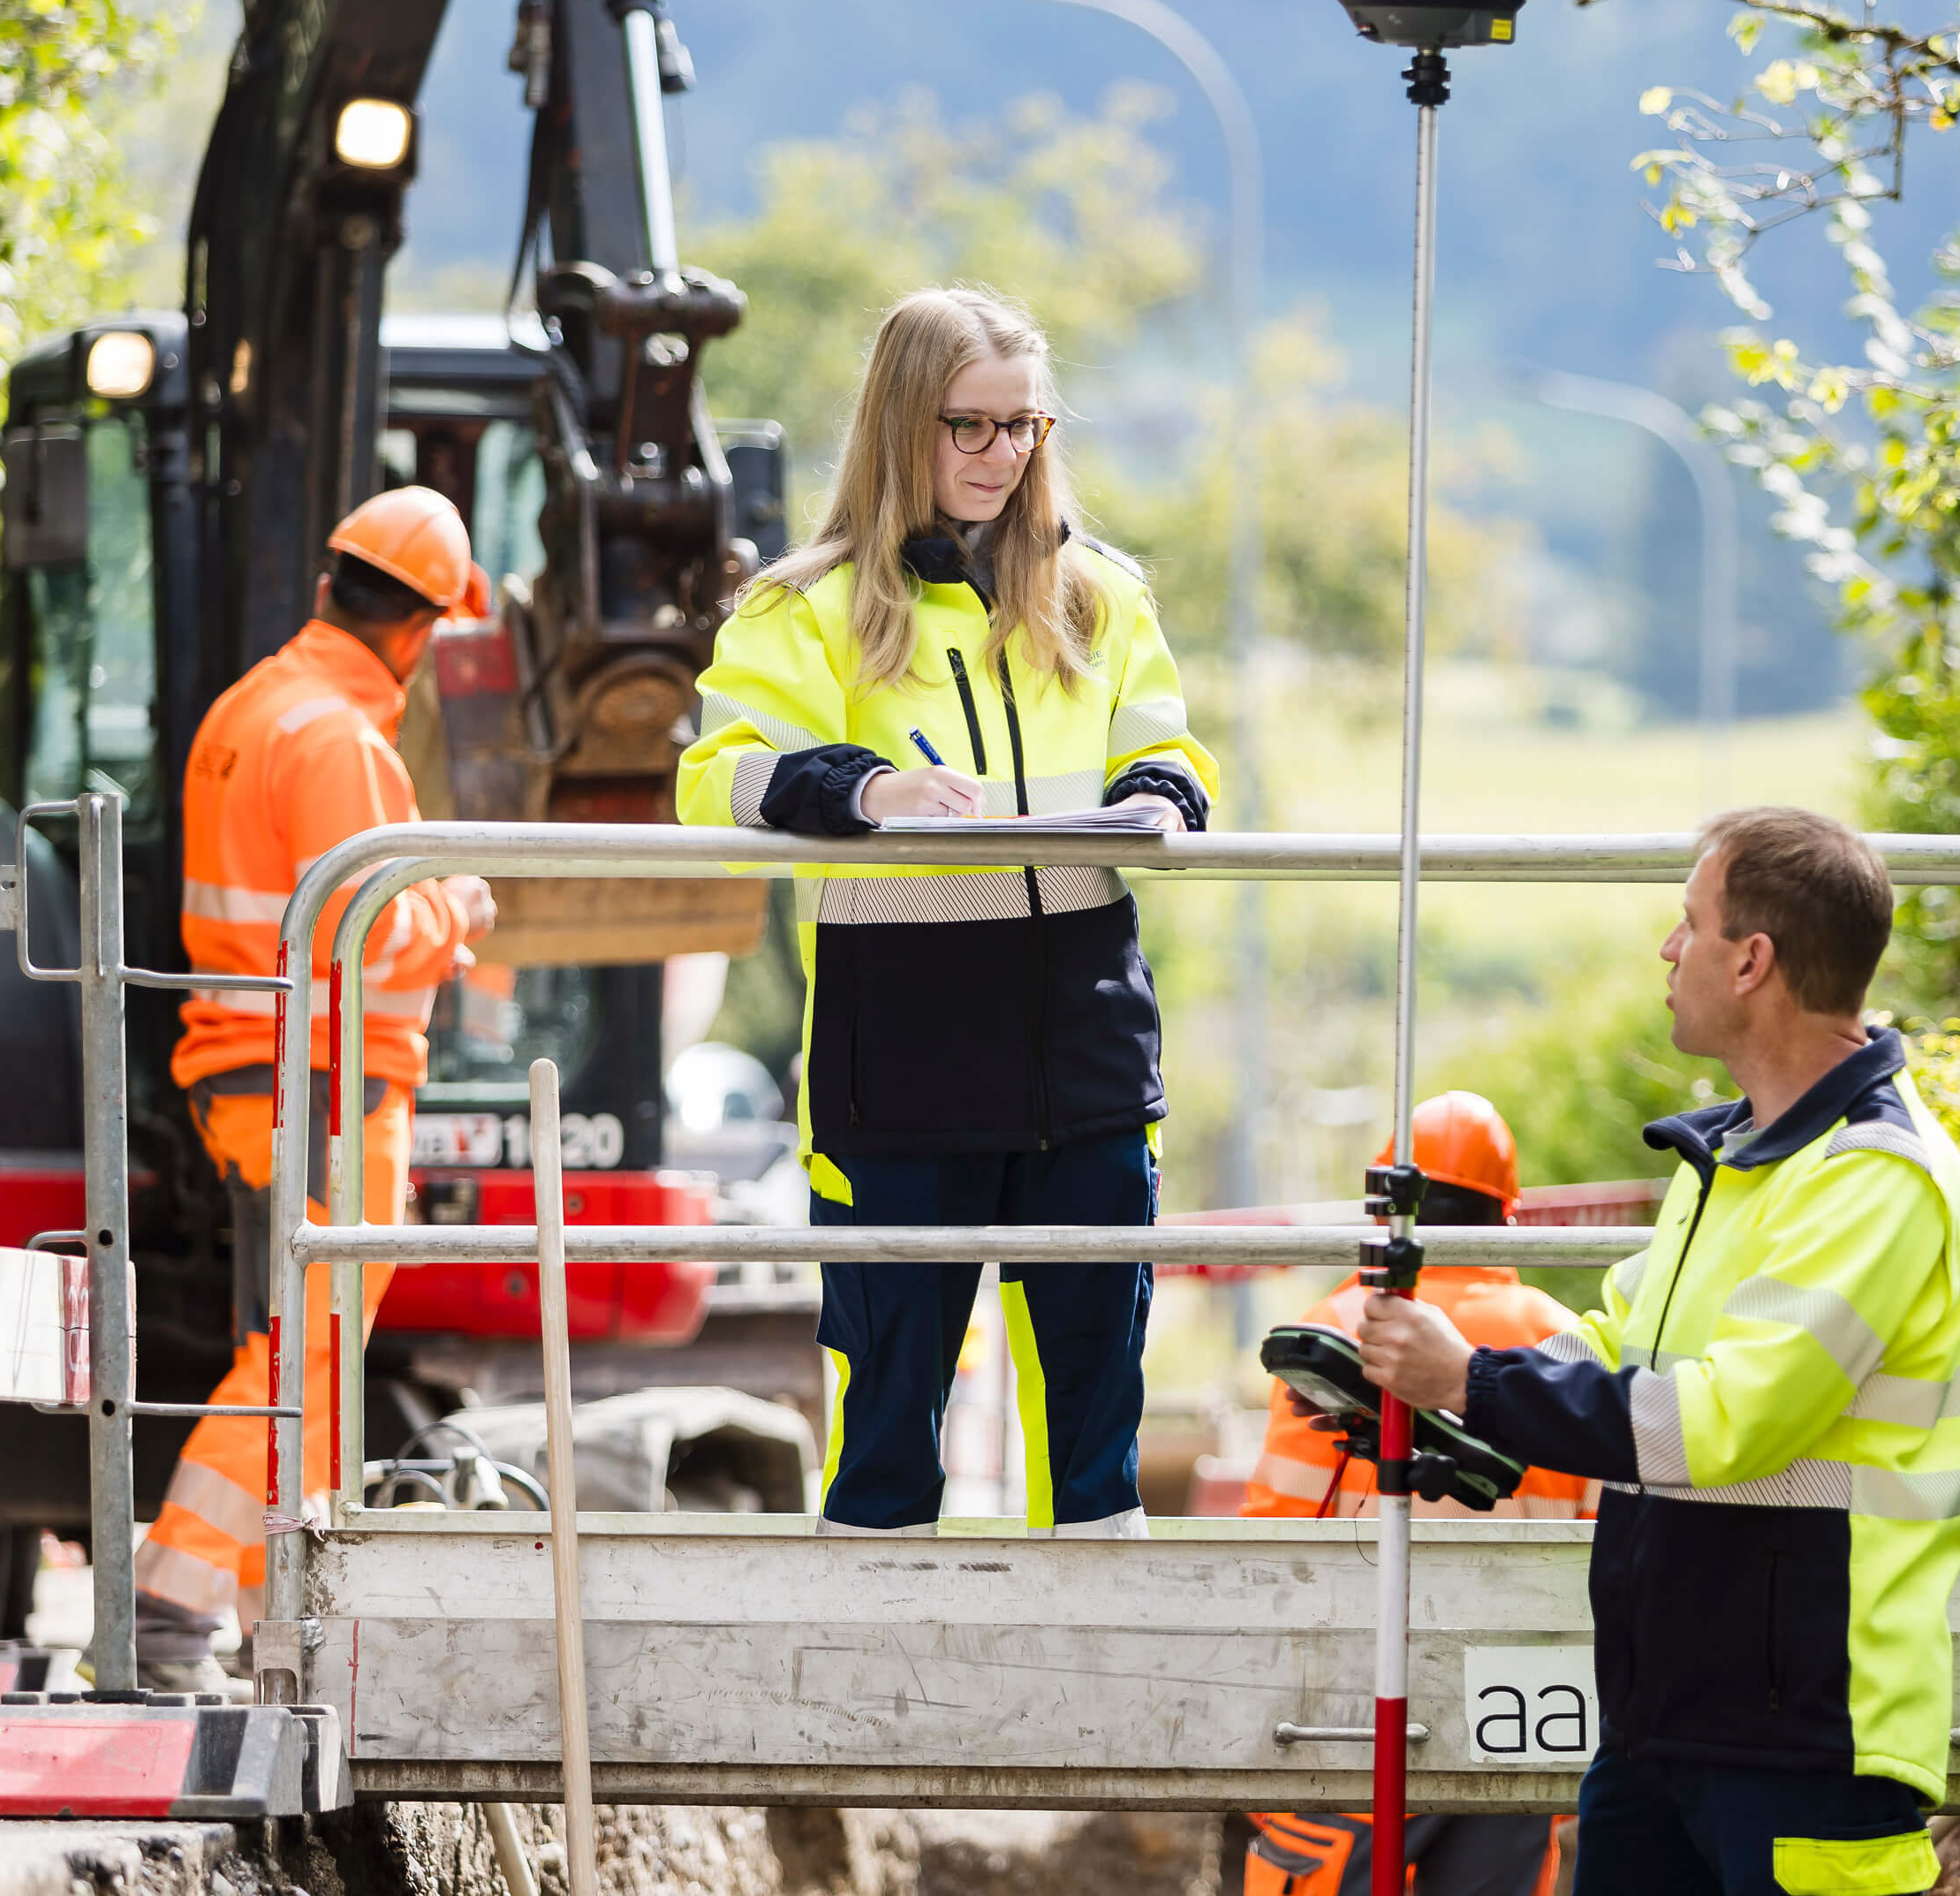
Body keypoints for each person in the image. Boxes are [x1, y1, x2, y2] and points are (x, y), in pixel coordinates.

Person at [1356, 808, 1960, 1896]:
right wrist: (1452, 1398)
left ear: (1749, 961)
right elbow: (1612, 1342)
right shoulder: (1736, 1157)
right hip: (1662, 1723)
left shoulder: (1875, 1177)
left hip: (1809, 1740)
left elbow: (1719, 1423)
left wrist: (1471, 1378)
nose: (1666, 947)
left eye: (1687, 922)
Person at [677, 286, 1217, 1538]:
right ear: (900, 423)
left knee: (1096, 1435)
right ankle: (869, 1653)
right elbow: (717, 777)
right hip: (900, 1058)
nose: (1000, 454)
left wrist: (1160, 795)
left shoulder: (1099, 595)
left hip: (1085, 1045)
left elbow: (1167, 746)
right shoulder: (801, 608)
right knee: (887, 1428)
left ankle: (1103, 1643)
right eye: (968, 425)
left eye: (1022, 425)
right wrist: (865, 789)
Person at [133, 485, 498, 1691]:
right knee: (312, 1353)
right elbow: (374, 935)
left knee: (297, 1347)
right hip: (329, 1082)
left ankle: (268, 1621)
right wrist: (458, 906)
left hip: (260, 1071)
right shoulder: (338, 737)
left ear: (329, 587)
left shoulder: (249, 708)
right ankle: (170, 1602)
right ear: (424, 629)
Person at [1240, 1092, 1589, 1896]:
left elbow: (1275, 1536)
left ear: (1387, 1207)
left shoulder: (1343, 1327)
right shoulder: (1568, 1341)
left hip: (1358, 1695)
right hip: (1519, 1707)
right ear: (1509, 1214)